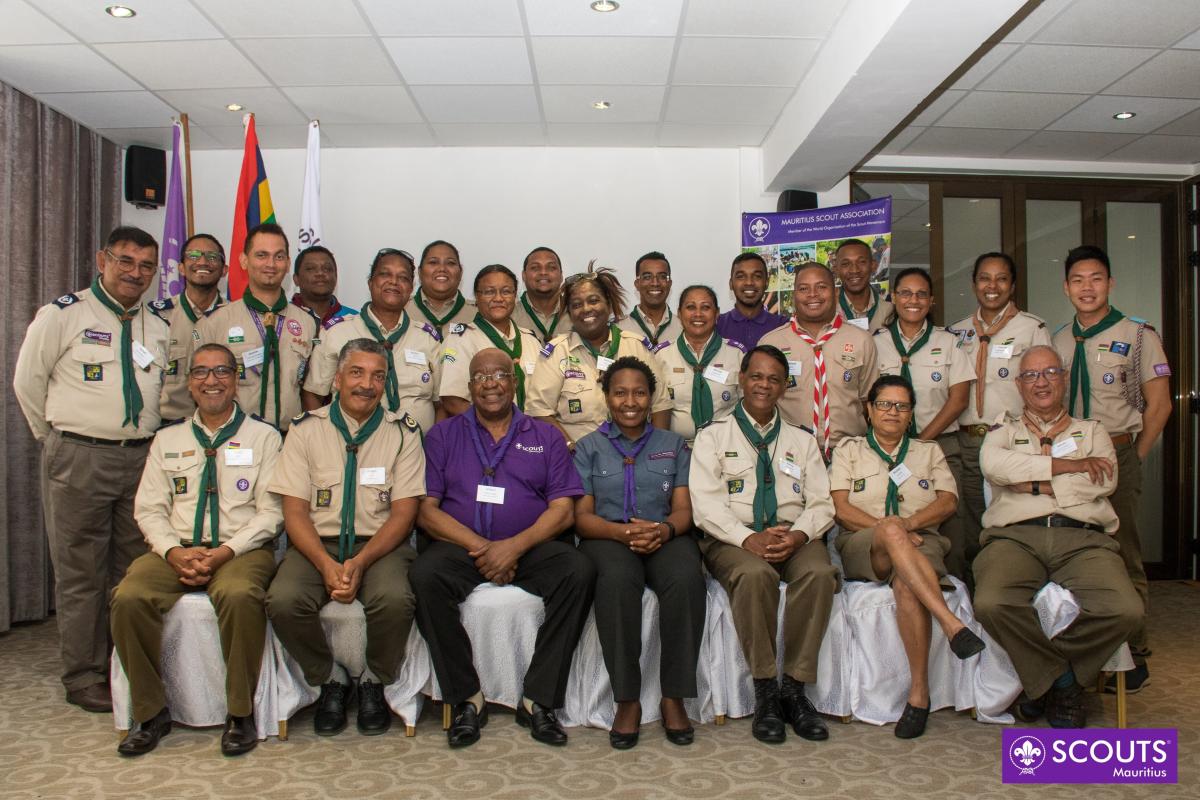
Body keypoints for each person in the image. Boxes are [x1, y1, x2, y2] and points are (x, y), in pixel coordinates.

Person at [14, 225, 170, 713]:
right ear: (103, 260)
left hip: (141, 457)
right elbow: (27, 384)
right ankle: (82, 674)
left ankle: (123, 664)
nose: (136, 273)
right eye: (126, 261)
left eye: (146, 265)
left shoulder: (159, 325)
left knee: (132, 572)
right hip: (79, 456)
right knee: (81, 572)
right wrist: (59, 441)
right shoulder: (63, 315)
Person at [410, 348, 596, 748]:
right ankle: (466, 698)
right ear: (469, 386)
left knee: (578, 571)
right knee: (424, 575)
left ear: (515, 384)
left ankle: (538, 699)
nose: (490, 384)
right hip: (462, 545)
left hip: (528, 545)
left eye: (499, 375)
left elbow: (562, 511)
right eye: (480, 377)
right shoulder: (443, 435)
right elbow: (427, 513)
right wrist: (485, 548)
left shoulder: (545, 435)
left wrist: (513, 547)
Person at [110, 344, 282, 757]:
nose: (212, 381)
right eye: (202, 373)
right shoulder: (167, 439)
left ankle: (240, 713)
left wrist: (225, 552)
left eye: (222, 371)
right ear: (189, 383)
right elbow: (149, 509)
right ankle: (150, 713)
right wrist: (172, 552)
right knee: (128, 598)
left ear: (236, 380)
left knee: (240, 595)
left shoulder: (264, 436)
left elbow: (271, 512)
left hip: (241, 550)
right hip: (175, 549)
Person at [973, 346, 1142, 728]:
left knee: (1125, 610)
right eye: (1031, 375)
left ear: (1064, 378)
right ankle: (1063, 680)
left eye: (1050, 372)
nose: (1041, 382)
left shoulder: (1094, 431)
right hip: (1014, 538)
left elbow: (1105, 481)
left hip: (1083, 540)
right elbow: (994, 466)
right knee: (991, 603)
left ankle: (1047, 678)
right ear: (1019, 384)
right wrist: (1071, 467)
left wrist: (1031, 485)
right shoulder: (1004, 431)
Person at [266, 339, 425, 737]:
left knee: (395, 599)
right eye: (357, 373)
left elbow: (404, 514)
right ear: (337, 379)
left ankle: (374, 679)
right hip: (317, 543)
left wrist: (359, 562)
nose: (366, 384)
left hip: (380, 543)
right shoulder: (304, 430)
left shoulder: (403, 433)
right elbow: (295, 512)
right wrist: (324, 563)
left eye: (377, 375)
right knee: (282, 601)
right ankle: (329, 679)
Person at [689, 345, 837, 744]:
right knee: (754, 576)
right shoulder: (712, 436)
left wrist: (799, 535)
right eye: (757, 376)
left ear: (784, 385)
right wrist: (747, 538)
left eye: (774, 379)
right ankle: (766, 689)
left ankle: (795, 688)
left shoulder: (801, 440)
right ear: (742, 378)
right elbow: (705, 506)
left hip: (794, 533)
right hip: (733, 537)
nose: (764, 385)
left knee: (821, 574)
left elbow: (822, 502)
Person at [829, 375, 986, 739]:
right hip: (863, 545)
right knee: (891, 533)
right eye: (884, 404)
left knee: (907, 587)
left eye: (901, 406)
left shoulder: (928, 451)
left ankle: (919, 696)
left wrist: (909, 525)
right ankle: (951, 624)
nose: (893, 412)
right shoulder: (848, 450)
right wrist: (890, 531)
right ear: (868, 410)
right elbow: (840, 508)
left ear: (911, 413)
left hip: (922, 540)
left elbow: (948, 501)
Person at [1052, 244, 1171, 692]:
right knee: (1078, 547)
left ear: (1110, 283)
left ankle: (1135, 651)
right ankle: (1088, 644)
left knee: (1123, 551)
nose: (1087, 287)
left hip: (1118, 453)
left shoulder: (1138, 334)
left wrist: (1135, 455)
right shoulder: (1061, 339)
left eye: (1096, 278)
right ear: (1066, 288)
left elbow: (1159, 404)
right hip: (1072, 457)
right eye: (1078, 280)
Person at [573, 356, 705, 749]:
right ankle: (627, 700)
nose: (630, 401)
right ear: (607, 398)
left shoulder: (673, 444)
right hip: (608, 537)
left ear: (651, 398)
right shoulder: (587, 448)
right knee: (615, 582)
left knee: (686, 578)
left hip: (665, 535)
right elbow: (581, 517)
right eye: (620, 393)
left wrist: (663, 531)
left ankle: (673, 697)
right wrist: (620, 533)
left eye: (639, 392)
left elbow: (684, 509)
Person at [947, 252, 1051, 577]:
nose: (992, 286)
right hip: (966, 442)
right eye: (984, 278)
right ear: (974, 283)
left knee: (1012, 518)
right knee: (968, 523)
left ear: (1012, 285)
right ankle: (975, 598)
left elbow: (1047, 391)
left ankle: (1010, 589)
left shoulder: (1032, 328)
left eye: (1001, 278)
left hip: (1012, 444)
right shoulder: (957, 332)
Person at [872, 268, 974, 579]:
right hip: (886, 450)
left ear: (931, 301)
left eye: (920, 294)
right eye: (905, 293)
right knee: (893, 520)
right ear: (894, 298)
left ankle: (956, 598)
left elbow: (958, 400)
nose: (913, 300)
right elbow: (867, 397)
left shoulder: (950, 342)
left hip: (939, 446)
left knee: (954, 536)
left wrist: (921, 443)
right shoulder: (876, 343)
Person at [526, 266, 671, 450]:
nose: (586, 309)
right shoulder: (557, 352)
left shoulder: (636, 346)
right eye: (577, 305)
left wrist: (654, 453)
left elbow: (660, 405)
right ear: (569, 313)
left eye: (594, 301)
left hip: (635, 455)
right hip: (578, 459)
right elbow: (539, 411)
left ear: (608, 304)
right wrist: (570, 449)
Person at [302, 248, 442, 432]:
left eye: (403, 277)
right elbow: (314, 394)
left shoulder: (427, 337)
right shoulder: (337, 332)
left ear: (410, 289)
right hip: (349, 448)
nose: (393, 282)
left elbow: (441, 403)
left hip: (417, 451)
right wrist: (321, 437)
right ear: (370, 282)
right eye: (385, 274)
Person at [195, 223, 317, 431]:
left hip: (290, 439)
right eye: (261, 255)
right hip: (236, 439)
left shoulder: (307, 322)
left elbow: (308, 389)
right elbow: (198, 386)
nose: (270, 264)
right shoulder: (215, 322)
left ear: (288, 264)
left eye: (278, 257)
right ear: (244, 260)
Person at [759, 262, 879, 460]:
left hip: (849, 453)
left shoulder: (861, 340)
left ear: (836, 292)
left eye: (821, 287)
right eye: (804, 288)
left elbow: (870, 402)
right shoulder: (771, 342)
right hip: (789, 453)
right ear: (794, 294)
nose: (812, 294)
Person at [439, 264, 541, 416]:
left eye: (506, 291)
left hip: (532, 434)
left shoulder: (531, 340)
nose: (498, 298)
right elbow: (453, 400)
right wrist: (495, 428)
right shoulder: (460, 339)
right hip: (483, 435)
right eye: (489, 292)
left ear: (515, 296)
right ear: (476, 297)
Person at [656, 285, 744, 443]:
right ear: (680, 314)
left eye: (705, 307)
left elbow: (747, 408)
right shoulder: (662, 356)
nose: (698, 314)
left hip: (725, 448)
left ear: (716, 314)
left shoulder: (737, 355)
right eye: (690, 307)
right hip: (678, 450)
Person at [154, 233, 227, 421]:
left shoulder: (237, 318)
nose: (203, 261)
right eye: (194, 255)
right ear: (181, 268)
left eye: (212, 257)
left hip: (222, 427)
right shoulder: (155, 317)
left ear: (224, 270)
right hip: (168, 426)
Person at [715, 252, 789, 349]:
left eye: (757, 276)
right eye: (741, 276)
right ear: (731, 284)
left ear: (766, 283)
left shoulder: (783, 325)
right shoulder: (716, 325)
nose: (749, 282)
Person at [616, 251, 683, 351]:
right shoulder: (619, 329)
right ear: (637, 284)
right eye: (647, 277)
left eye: (662, 276)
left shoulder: (683, 328)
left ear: (669, 283)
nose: (655, 283)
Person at [410, 239, 475, 336]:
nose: (442, 269)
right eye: (433, 262)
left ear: (461, 273)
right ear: (419, 272)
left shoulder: (478, 313)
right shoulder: (402, 311)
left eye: (450, 263)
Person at [512, 246, 573, 343]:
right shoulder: (509, 315)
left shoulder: (576, 314)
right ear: (524, 275)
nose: (543, 272)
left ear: (561, 276)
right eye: (535, 268)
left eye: (551, 268)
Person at [833, 238, 893, 333]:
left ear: (873, 265)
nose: (854, 270)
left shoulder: (890, 312)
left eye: (862, 262)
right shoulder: (828, 311)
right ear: (836, 270)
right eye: (846, 264)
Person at [291, 245, 357, 326]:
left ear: (336, 277)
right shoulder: (281, 317)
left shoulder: (355, 320)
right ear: (296, 279)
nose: (320, 273)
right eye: (310, 268)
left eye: (327, 268)